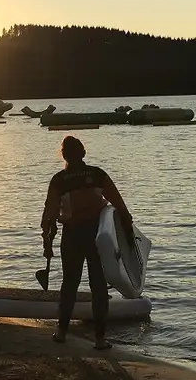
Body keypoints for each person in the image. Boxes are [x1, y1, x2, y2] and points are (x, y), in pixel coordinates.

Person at [40, 136, 134, 349]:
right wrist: (128, 233)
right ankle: (100, 340)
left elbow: (49, 215)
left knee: (69, 284)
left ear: (63, 156)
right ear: (83, 153)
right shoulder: (98, 175)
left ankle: (61, 333)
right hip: (98, 237)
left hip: (72, 236)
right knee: (98, 287)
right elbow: (120, 206)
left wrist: (47, 243)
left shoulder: (59, 180)